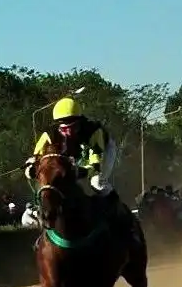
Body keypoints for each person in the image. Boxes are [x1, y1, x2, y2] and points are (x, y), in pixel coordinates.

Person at [24, 96, 135, 237]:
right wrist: (30, 169)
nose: (69, 133)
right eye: (64, 129)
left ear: (80, 122)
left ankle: (122, 216)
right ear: (58, 126)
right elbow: (35, 158)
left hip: (104, 151)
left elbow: (95, 166)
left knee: (96, 183)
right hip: (75, 156)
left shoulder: (94, 133)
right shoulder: (49, 135)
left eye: (73, 127)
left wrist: (79, 171)